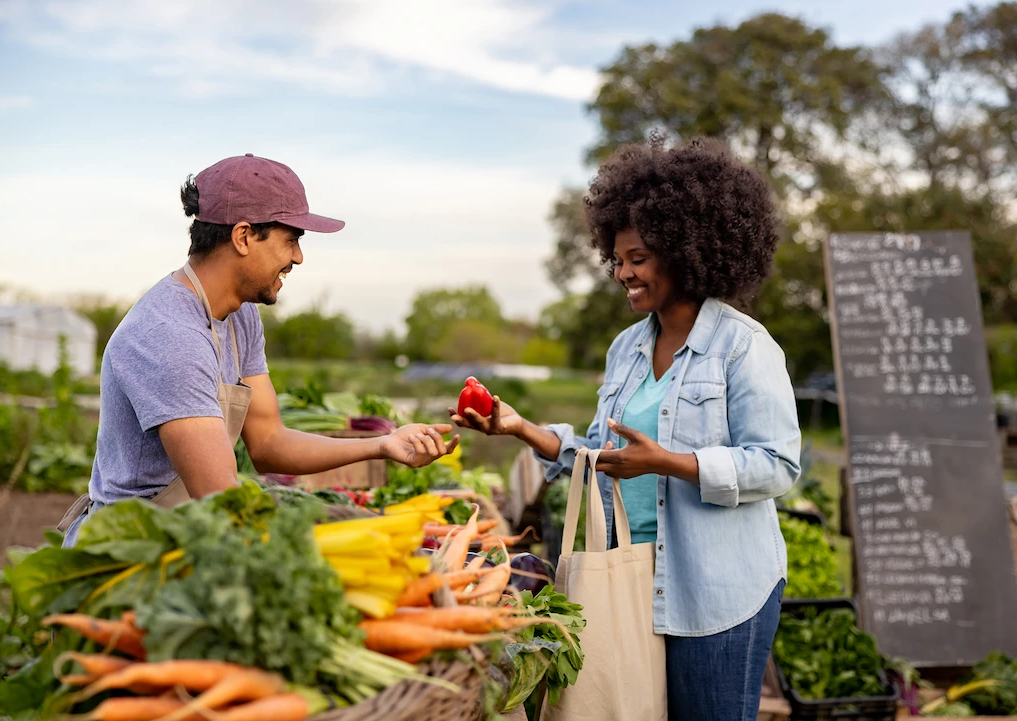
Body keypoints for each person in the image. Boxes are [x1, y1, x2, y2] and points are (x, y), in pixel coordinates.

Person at [452, 136, 800, 721]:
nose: (622, 273)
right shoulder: (627, 349)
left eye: (637, 258)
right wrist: (520, 428)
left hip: (717, 593)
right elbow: (600, 452)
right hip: (633, 579)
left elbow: (777, 464)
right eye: (617, 259)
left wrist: (669, 463)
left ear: (686, 251)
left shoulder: (742, 347)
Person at [60, 154, 458, 545]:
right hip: (131, 548)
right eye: (291, 241)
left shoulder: (240, 317)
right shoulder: (169, 336)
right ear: (244, 236)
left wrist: (383, 445)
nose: (298, 258)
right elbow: (223, 502)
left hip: (193, 523)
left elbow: (268, 443)